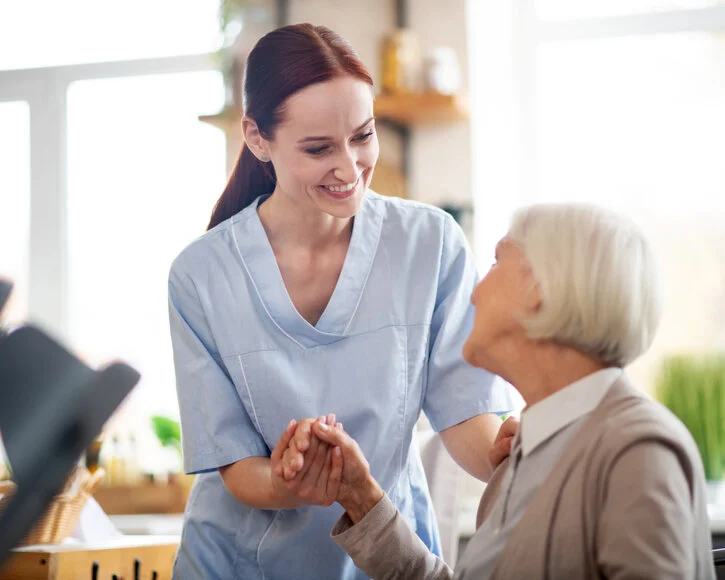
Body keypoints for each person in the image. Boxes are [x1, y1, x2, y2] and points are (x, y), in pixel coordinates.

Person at [167, 23, 512, 579]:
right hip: (236, 567)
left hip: (386, 562)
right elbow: (235, 469)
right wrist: (289, 479)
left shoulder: (431, 244)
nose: (350, 168)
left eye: (363, 135)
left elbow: (466, 415)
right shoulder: (201, 276)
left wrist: (507, 452)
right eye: (318, 148)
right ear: (257, 139)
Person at [309, 203, 716, 579]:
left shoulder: (638, 451)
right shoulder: (523, 456)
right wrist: (361, 497)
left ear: (539, 289)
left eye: (497, 262)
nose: (474, 292)